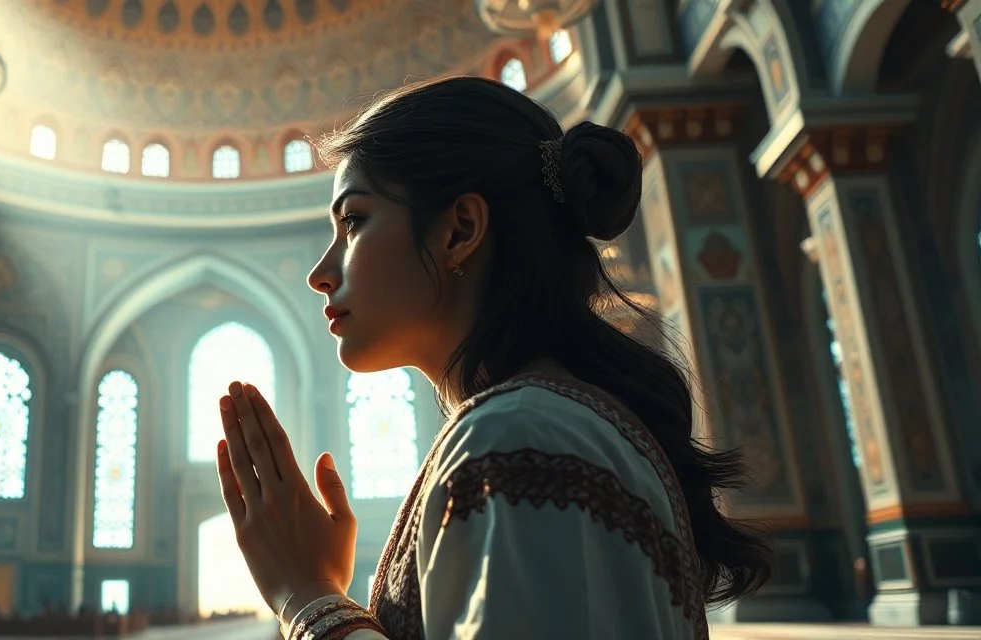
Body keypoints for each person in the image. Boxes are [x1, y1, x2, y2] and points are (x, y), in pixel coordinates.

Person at [212, 75, 775, 639]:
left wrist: (308, 598)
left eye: (354, 221)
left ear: (459, 230)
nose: (321, 274)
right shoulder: (542, 425)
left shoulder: (517, 435)